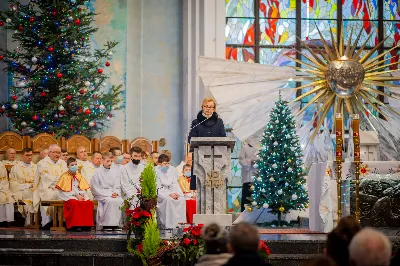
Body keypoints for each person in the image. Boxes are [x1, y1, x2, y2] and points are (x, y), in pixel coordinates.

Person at [188, 97, 226, 190]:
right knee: (201, 185)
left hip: (215, 157)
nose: (208, 109)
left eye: (211, 107)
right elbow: (191, 138)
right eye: (206, 106)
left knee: (214, 186)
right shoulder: (196, 122)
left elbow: (223, 137)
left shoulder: (219, 122)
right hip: (200, 156)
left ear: (214, 109)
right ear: (202, 107)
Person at [33, 144, 67, 228]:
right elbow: (45, 178)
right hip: (46, 187)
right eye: (55, 152)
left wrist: (58, 185)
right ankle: (47, 222)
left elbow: (65, 176)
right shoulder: (42, 163)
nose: (57, 155)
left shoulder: (63, 163)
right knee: (49, 194)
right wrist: (57, 182)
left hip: (60, 187)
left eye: (58, 153)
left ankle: (62, 221)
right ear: (49, 153)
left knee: (68, 195)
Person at [56, 157, 94, 231]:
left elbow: (82, 187)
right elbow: (64, 190)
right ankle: (75, 225)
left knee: (88, 203)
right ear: (68, 166)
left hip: (79, 195)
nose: (74, 166)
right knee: (75, 203)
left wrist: (82, 195)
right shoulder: (64, 176)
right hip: (68, 195)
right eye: (72, 165)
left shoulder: (79, 175)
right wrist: (76, 195)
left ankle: (86, 225)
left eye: (75, 164)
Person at [90, 152, 123, 231]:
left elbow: (117, 185)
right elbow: (95, 188)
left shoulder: (114, 172)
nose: (110, 163)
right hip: (101, 193)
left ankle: (116, 224)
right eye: (108, 161)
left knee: (119, 200)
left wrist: (115, 192)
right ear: (102, 160)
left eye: (111, 161)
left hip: (112, 193)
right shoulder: (97, 172)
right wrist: (110, 194)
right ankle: (106, 224)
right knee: (109, 200)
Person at [156, 154, 186, 229]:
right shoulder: (155, 171)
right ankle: (169, 225)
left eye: (168, 163)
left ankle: (180, 224)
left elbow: (174, 183)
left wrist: (177, 193)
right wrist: (169, 194)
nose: (167, 165)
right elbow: (157, 186)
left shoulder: (171, 170)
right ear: (159, 163)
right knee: (169, 200)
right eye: (165, 163)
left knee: (182, 199)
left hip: (172, 191)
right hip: (161, 194)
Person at [9, 148, 36, 225]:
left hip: (34, 189)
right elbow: (13, 183)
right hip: (21, 190)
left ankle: (36, 221)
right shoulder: (15, 167)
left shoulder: (36, 167)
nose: (30, 157)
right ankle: (30, 221)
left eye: (31, 155)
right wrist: (28, 185)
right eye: (27, 155)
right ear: (22, 156)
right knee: (31, 195)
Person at [238, 142, 258, 212]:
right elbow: (240, 160)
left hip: (258, 177)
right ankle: (244, 216)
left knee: (257, 198)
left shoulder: (260, 147)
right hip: (248, 176)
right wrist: (250, 161)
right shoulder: (244, 147)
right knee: (246, 197)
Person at [0, 161, 14, 227]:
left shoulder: (1, 165)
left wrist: (2, 188)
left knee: (8, 197)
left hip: (2, 186)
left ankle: (5, 220)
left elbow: (3, 179)